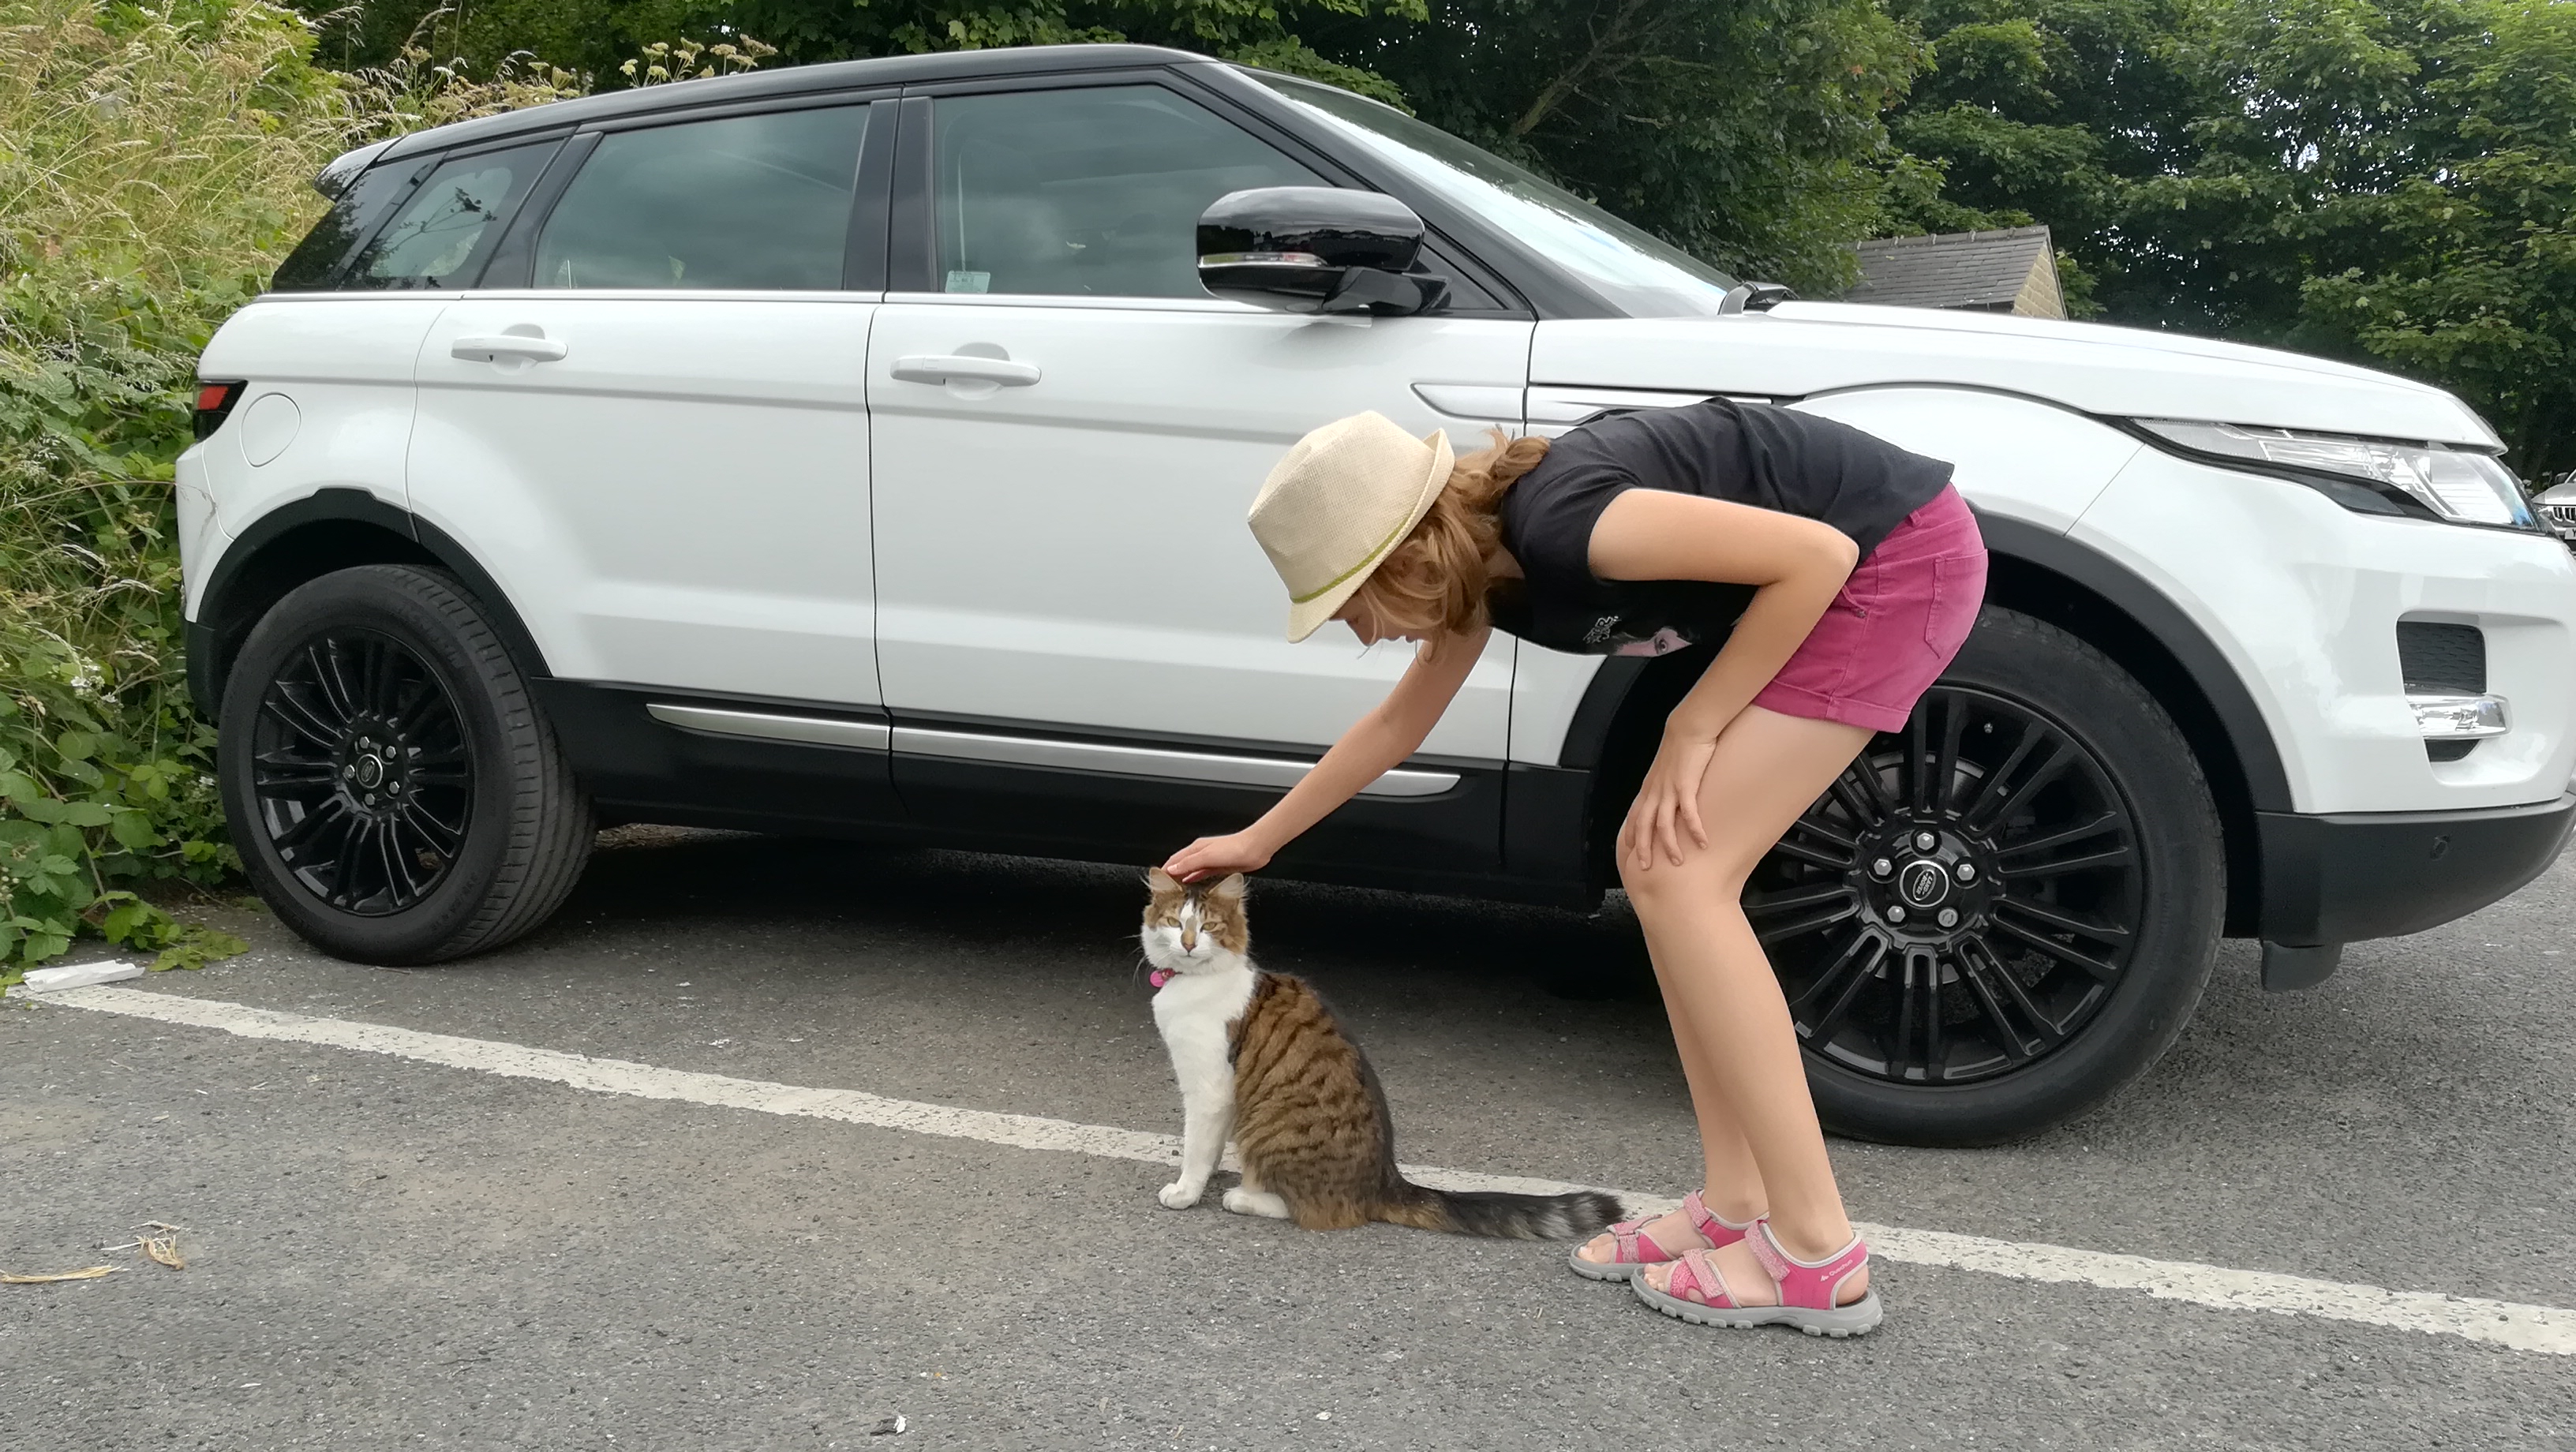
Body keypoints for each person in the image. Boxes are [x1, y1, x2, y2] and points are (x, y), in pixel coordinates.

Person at [1161, 402, 1987, 1335]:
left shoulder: (1564, 524)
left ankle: (1814, 1250)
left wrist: (1693, 725)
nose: (1359, 630)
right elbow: (1396, 723)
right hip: (1855, 567)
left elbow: (1819, 556)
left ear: (1408, 556)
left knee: (1682, 872)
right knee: (1659, 862)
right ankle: (1735, 1202)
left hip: (1898, 561)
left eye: (1351, 602)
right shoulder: (1483, 571)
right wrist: (1259, 841)